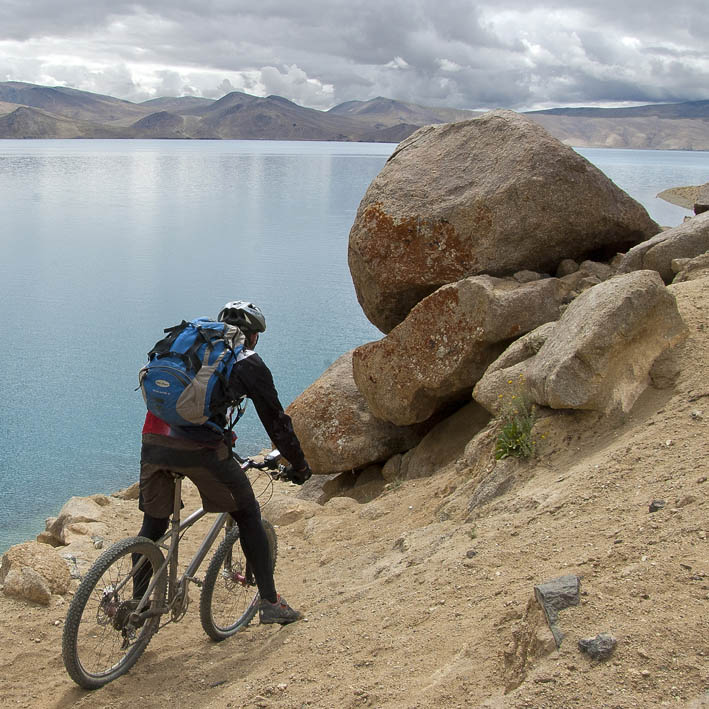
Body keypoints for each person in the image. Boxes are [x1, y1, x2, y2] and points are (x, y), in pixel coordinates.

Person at [135, 300, 311, 624]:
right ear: (253, 335)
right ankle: (271, 604)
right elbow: (277, 423)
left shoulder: (195, 345)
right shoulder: (248, 362)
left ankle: (138, 608)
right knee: (247, 512)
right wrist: (299, 465)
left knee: (152, 525)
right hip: (198, 450)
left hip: (152, 439)